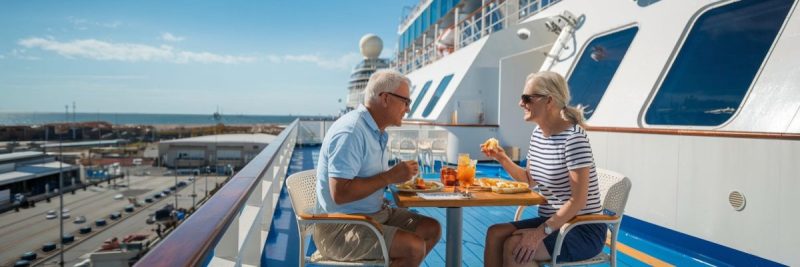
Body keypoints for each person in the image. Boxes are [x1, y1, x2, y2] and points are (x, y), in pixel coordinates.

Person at [314, 69, 442, 266]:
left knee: (431, 228)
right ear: (385, 98)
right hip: (340, 227)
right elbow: (339, 193)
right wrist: (389, 177)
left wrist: (379, 196)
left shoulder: (377, 132)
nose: (408, 109)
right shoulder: (352, 132)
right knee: (413, 247)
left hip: (372, 215)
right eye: (405, 102)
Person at [482, 71, 606, 266]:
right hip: (553, 222)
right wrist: (502, 158)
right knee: (495, 233)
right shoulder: (538, 134)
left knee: (516, 247)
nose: (520, 103)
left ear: (549, 101)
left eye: (527, 98)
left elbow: (578, 201)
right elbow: (530, 180)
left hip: (582, 228)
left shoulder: (574, 139)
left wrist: (539, 233)